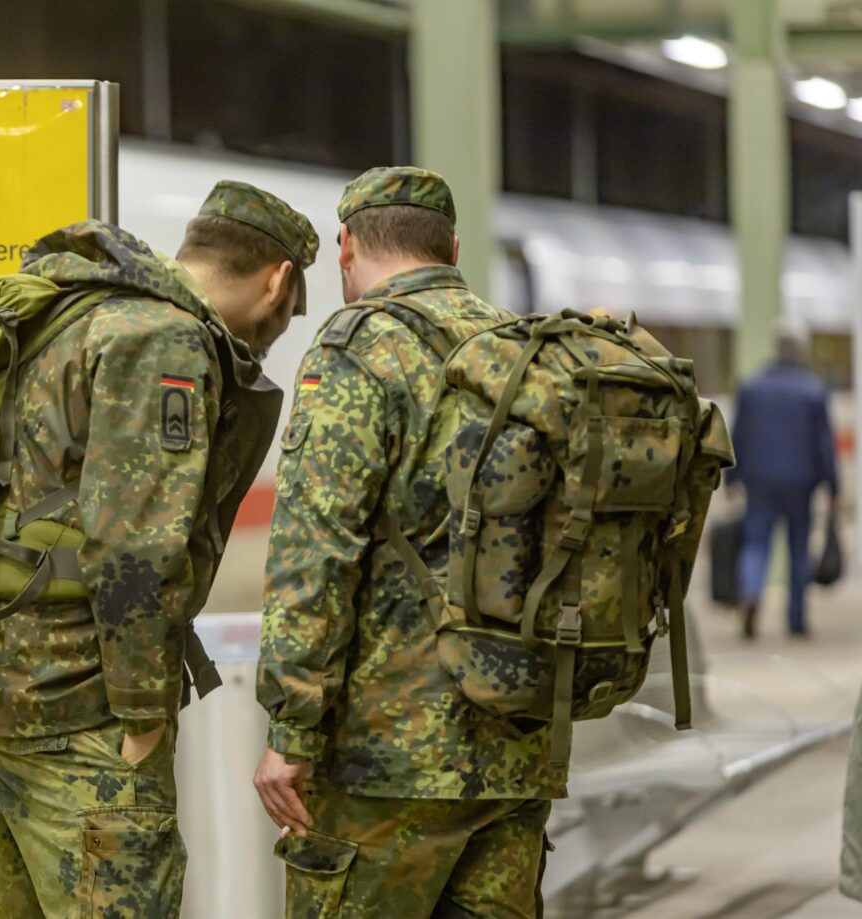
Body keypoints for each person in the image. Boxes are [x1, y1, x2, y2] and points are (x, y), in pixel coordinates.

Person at [0, 182, 319, 918]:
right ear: (277, 280)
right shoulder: (163, 341)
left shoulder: (71, 310)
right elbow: (136, 548)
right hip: (74, 711)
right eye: (289, 310)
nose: (277, 330)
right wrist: (143, 720)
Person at [254, 167, 563, 918]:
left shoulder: (359, 348)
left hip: (385, 763)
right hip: (516, 745)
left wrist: (290, 729)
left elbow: (313, 550)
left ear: (346, 247)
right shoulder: (526, 351)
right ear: (452, 247)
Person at [730, 315, 838, 639]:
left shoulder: (751, 387)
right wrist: (834, 487)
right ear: (802, 350)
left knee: (756, 543)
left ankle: (750, 592)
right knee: (798, 550)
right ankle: (795, 619)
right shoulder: (813, 391)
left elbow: (739, 436)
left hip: (759, 480)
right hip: (800, 483)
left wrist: (730, 479)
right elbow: (824, 445)